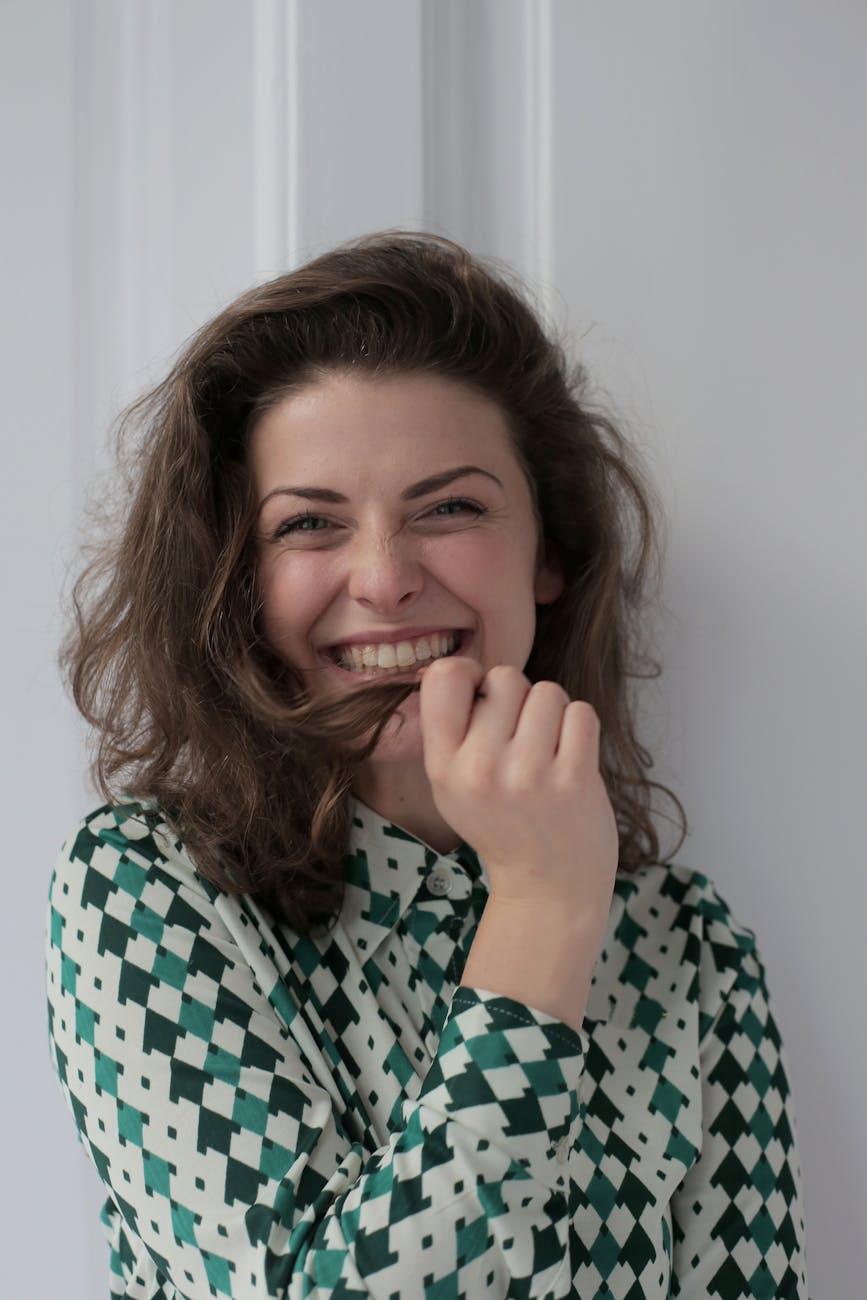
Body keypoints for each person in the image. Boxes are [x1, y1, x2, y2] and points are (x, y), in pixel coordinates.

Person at [46, 232, 809, 1298]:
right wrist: (542, 918)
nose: (385, 577)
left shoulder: (688, 951)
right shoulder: (145, 893)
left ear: (549, 552)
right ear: (237, 578)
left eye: (449, 507)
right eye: (309, 523)